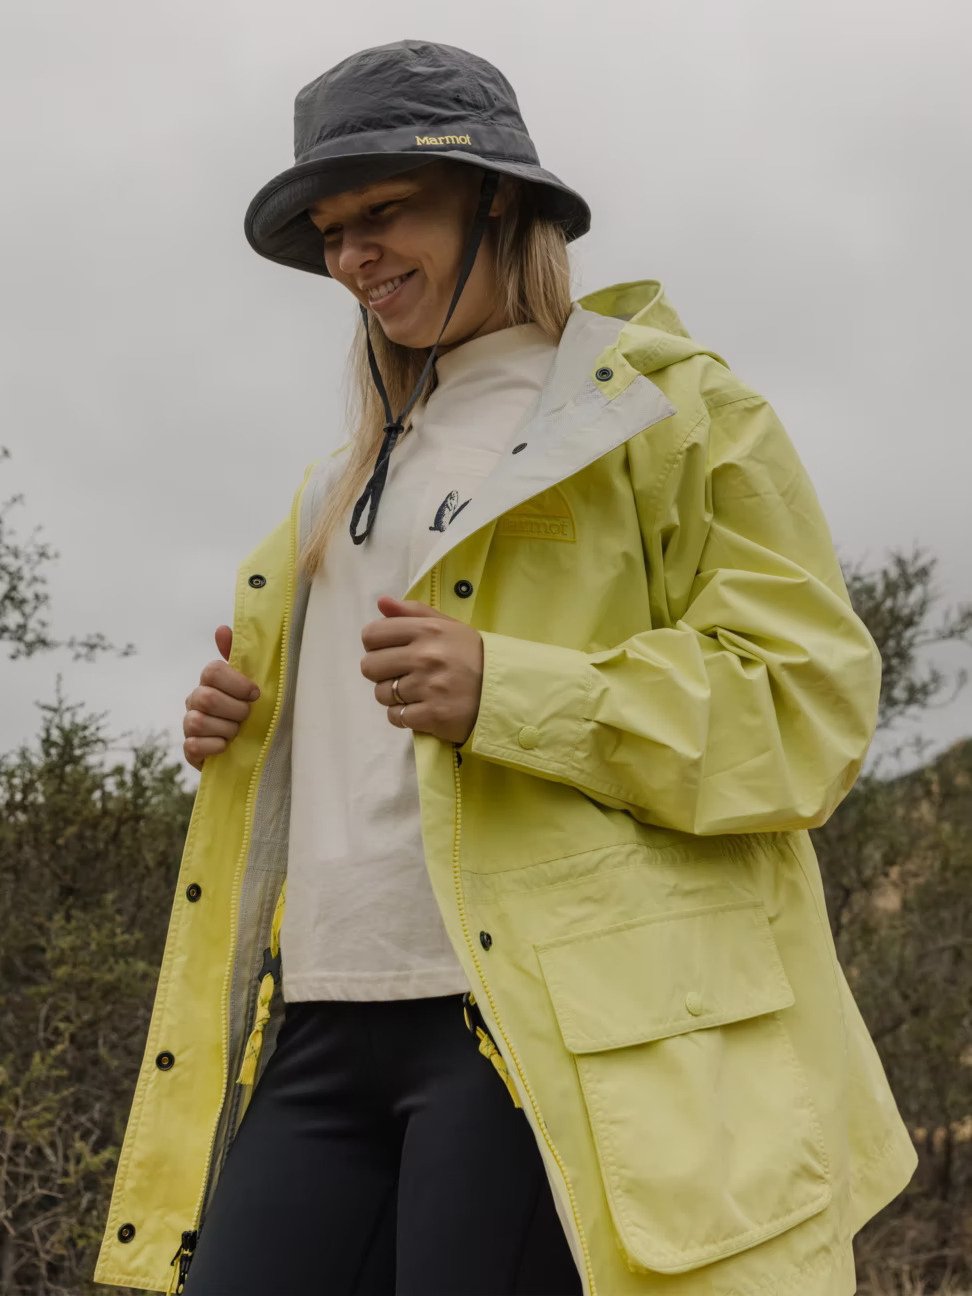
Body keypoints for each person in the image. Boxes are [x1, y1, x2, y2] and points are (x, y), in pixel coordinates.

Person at [95, 38, 917, 1296]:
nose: (353, 258)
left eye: (384, 212)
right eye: (332, 232)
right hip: (316, 1011)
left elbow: (806, 708)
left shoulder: (668, 414)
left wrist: (509, 691)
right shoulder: (334, 483)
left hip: (543, 1025)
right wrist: (251, 729)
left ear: (496, 200)